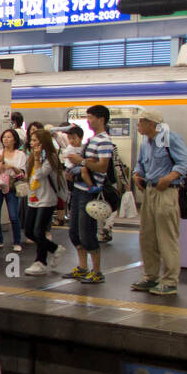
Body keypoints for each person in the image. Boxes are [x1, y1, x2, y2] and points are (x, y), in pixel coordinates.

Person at [130, 110, 187, 296]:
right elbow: (140, 163)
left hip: (167, 191)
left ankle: (170, 280)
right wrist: (136, 174)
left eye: (140, 122)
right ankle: (150, 276)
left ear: (151, 123)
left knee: (166, 236)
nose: (138, 125)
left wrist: (169, 177)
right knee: (147, 236)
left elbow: (185, 163)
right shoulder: (145, 143)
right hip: (149, 190)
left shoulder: (170, 138)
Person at [64, 104, 114, 284]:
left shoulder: (104, 141)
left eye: (91, 117)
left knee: (87, 232)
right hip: (78, 189)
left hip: (90, 193)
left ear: (101, 119)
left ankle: (97, 270)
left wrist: (81, 161)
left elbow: (102, 166)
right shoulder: (92, 140)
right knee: (74, 231)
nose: (88, 120)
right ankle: (83, 267)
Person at [24, 130, 67, 275]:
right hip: (33, 198)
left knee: (39, 231)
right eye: (31, 140)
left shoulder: (51, 157)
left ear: (43, 142)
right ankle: (55, 249)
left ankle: (40, 261)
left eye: (35, 140)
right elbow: (29, 175)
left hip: (47, 199)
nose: (32, 143)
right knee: (29, 231)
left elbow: (40, 174)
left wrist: (36, 158)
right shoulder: (31, 156)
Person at [0, 128, 27, 251]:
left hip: (11, 187)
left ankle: (17, 241)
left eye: (9, 137)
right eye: (4, 137)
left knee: (13, 215)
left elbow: (22, 173)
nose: (6, 139)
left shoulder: (20, 154)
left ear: (15, 140)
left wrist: (12, 167)